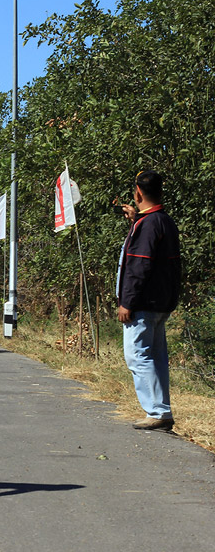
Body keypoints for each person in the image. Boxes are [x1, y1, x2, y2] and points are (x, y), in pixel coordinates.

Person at [117, 170, 181, 431]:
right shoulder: (163, 220)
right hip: (161, 301)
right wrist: (136, 220)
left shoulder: (148, 225)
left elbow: (139, 266)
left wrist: (127, 302)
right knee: (155, 357)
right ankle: (161, 408)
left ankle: (157, 411)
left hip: (143, 303)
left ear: (138, 193)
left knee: (137, 356)